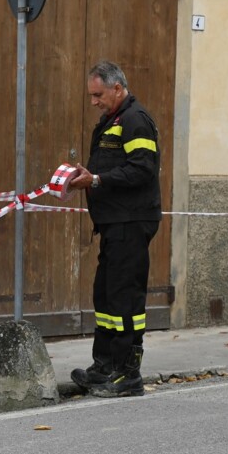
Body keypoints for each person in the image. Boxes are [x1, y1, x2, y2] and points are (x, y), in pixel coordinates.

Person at [68, 60, 161, 398]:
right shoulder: (114, 120)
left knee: (124, 298)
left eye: (98, 95)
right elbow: (114, 165)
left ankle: (128, 373)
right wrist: (87, 173)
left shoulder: (135, 120)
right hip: (113, 223)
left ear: (118, 88)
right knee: (105, 296)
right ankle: (104, 365)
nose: (93, 102)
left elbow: (142, 170)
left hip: (131, 222)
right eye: (92, 95)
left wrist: (96, 179)